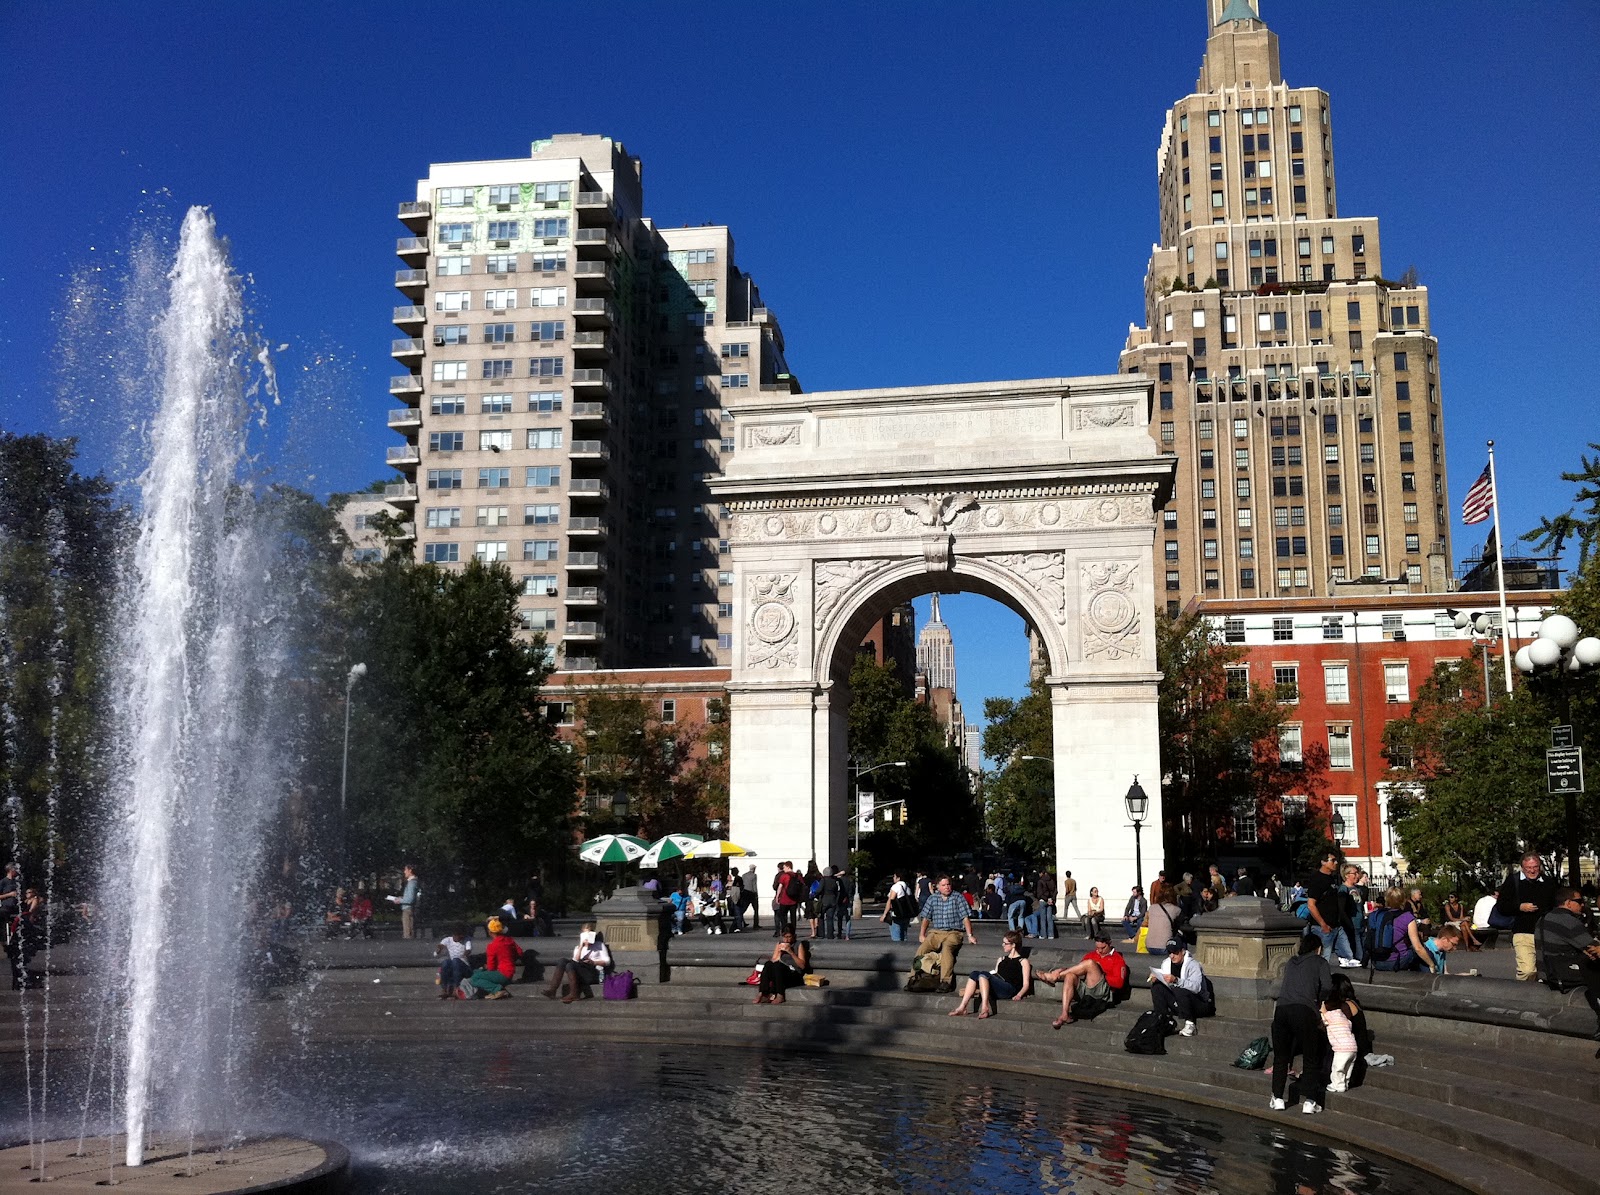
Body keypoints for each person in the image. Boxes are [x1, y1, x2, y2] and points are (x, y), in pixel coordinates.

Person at [1270, 934, 1333, 1115]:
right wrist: (1318, 999)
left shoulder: (1291, 962)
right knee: (1311, 1057)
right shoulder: (1320, 963)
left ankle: (1278, 1097)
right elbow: (1327, 986)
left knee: (1281, 1056)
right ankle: (1310, 1101)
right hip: (1305, 1010)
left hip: (1282, 1010)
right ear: (1318, 948)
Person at [1536, 888, 1600, 1039]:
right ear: (1568, 903)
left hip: (1547, 971)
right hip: (1564, 974)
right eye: (1579, 901)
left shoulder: (1544, 918)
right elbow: (1592, 947)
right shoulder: (1568, 921)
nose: (1582, 905)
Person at [1037, 932, 1130, 1028]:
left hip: (1102, 992)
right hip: (1087, 990)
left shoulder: (1117, 959)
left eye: (1103, 948)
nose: (1100, 951)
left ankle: (1054, 977)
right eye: (1097, 948)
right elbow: (1078, 969)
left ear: (1109, 943)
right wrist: (1062, 969)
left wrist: (1100, 972)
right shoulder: (1092, 954)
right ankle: (1065, 1014)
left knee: (1090, 964)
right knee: (1070, 975)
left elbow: (1119, 983)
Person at [1495, 852, 1557, 982]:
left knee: (1544, 972)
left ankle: (1536, 997)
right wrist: (1519, 907)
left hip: (1545, 933)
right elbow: (1501, 906)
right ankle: (1521, 994)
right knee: (1527, 970)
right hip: (1523, 932)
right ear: (1522, 867)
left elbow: (1555, 906)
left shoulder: (1548, 882)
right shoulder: (1513, 881)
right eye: (1529, 867)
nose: (1532, 870)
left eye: (1535, 867)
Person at [914, 875, 978, 992]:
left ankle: (945, 981)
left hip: (953, 932)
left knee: (947, 948)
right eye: (943, 885)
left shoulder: (958, 897)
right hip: (936, 932)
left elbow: (965, 918)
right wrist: (922, 934)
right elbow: (926, 918)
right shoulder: (932, 898)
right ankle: (913, 977)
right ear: (937, 886)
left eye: (948, 884)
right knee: (922, 949)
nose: (947, 887)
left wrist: (970, 935)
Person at [949, 930, 1033, 1019]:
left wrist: (1019, 995)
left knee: (984, 974)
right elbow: (995, 975)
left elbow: (1026, 984)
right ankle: (962, 1007)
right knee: (975, 974)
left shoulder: (1023, 961)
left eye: (1005, 943)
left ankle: (985, 1008)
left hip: (1009, 989)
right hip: (997, 987)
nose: (1003, 945)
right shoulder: (1001, 959)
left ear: (1013, 945)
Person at [1304, 852, 1360, 967]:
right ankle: (1321, 980)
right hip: (1324, 927)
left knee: (1348, 957)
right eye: (1332, 860)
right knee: (1324, 959)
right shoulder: (1317, 880)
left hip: (1336, 925)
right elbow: (1311, 904)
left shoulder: (1332, 879)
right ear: (1323, 862)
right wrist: (1323, 924)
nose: (1336, 862)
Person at [1148, 938, 1209, 1037]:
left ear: (1182, 951)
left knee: (1180, 990)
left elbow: (1196, 987)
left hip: (1198, 1003)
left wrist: (1176, 980)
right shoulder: (1166, 963)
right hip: (1178, 1002)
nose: (1172, 956)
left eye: (1175, 952)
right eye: (1169, 952)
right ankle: (1162, 1019)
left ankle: (1190, 1024)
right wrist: (1157, 978)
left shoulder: (1193, 965)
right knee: (1157, 987)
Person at [544, 924, 610, 1003]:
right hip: (579, 970)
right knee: (562, 961)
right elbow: (575, 960)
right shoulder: (578, 947)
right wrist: (581, 947)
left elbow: (607, 961)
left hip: (592, 971)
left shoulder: (599, 945)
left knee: (570, 965)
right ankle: (553, 990)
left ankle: (574, 993)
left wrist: (593, 962)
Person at [1321, 973, 1360, 1093]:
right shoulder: (1343, 1017)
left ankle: (1336, 1084)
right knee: (1348, 1068)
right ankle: (1345, 1083)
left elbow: (1323, 1016)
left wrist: (1322, 1007)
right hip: (1353, 1048)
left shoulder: (1329, 1016)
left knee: (1338, 1068)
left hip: (1341, 1049)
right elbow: (1349, 1025)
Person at [467, 917, 523, 999]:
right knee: (477, 972)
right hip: (510, 972)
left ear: (490, 932)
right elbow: (520, 952)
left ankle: (497, 990)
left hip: (502, 974)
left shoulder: (492, 946)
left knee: (474, 978)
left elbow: (491, 967)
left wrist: (485, 967)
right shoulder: (509, 940)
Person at [755, 929, 810, 1004]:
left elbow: (802, 966)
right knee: (768, 964)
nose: (786, 940)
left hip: (794, 973)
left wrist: (791, 952)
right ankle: (763, 993)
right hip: (780, 972)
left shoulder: (798, 945)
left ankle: (780, 994)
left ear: (794, 936)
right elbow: (773, 960)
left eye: (789, 937)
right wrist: (779, 953)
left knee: (778, 966)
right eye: (784, 937)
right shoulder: (780, 944)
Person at [435, 926, 474, 998]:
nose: (456, 938)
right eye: (455, 935)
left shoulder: (467, 940)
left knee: (456, 961)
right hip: (454, 965)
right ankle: (445, 989)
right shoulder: (448, 940)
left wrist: (465, 954)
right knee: (445, 962)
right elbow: (441, 945)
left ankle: (456, 988)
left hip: (464, 966)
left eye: (459, 936)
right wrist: (439, 949)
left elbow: (468, 949)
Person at [1145, 881, 1182, 953]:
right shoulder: (1176, 909)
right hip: (1165, 946)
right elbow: (1179, 925)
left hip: (1149, 946)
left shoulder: (1152, 908)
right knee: (1181, 940)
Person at [386, 864, 420, 940]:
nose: (404, 872)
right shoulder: (413, 882)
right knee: (409, 930)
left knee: (408, 932)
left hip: (408, 909)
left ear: (410, 870)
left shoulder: (412, 883)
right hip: (409, 908)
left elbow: (410, 899)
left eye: (405, 870)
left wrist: (400, 900)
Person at [882, 872, 913, 942]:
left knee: (896, 936)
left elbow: (890, 901)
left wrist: (885, 914)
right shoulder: (907, 888)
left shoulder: (896, 887)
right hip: (906, 914)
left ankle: (898, 951)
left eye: (894, 876)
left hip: (897, 913)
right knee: (904, 935)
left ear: (898, 878)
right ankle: (904, 951)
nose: (893, 878)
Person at [818, 865, 842, 939]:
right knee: (830, 918)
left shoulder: (823, 880)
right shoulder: (834, 881)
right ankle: (830, 934)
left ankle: (821, 934)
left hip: (824, 900)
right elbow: (837, 891)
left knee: (821, 917)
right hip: (832, 901)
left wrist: (814, 895)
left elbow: (819, 890)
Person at [1034, 869, 1058, 938]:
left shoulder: (1040, 881)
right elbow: (1055, 891)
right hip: (1050, 901)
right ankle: (1051, 935)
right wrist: (1052, 899)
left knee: (1043, 919)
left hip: (1043, 901)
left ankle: (1043, 934)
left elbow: (1039, 893)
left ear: (1042, 873)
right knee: (1049, 918)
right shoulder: (1052, 881)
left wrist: (1046, 899)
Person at [835, 868, 855, 941]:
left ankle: (839, 933)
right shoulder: (850, 881)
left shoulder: (839, 880)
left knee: (839, 918)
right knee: (848, 918)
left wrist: (838, 874)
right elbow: (852, 891)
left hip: (840, 900)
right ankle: (847, 935)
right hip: (848, 901)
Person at [741, 863, 760, 931]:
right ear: (754, 869)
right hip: (752, 894)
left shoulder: (744, 875)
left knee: (743, 909)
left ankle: (740, 921)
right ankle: (756, 925)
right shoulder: (754, 875)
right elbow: (754, 885)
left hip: (745, 893)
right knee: (756, 909)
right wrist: (756, 894)